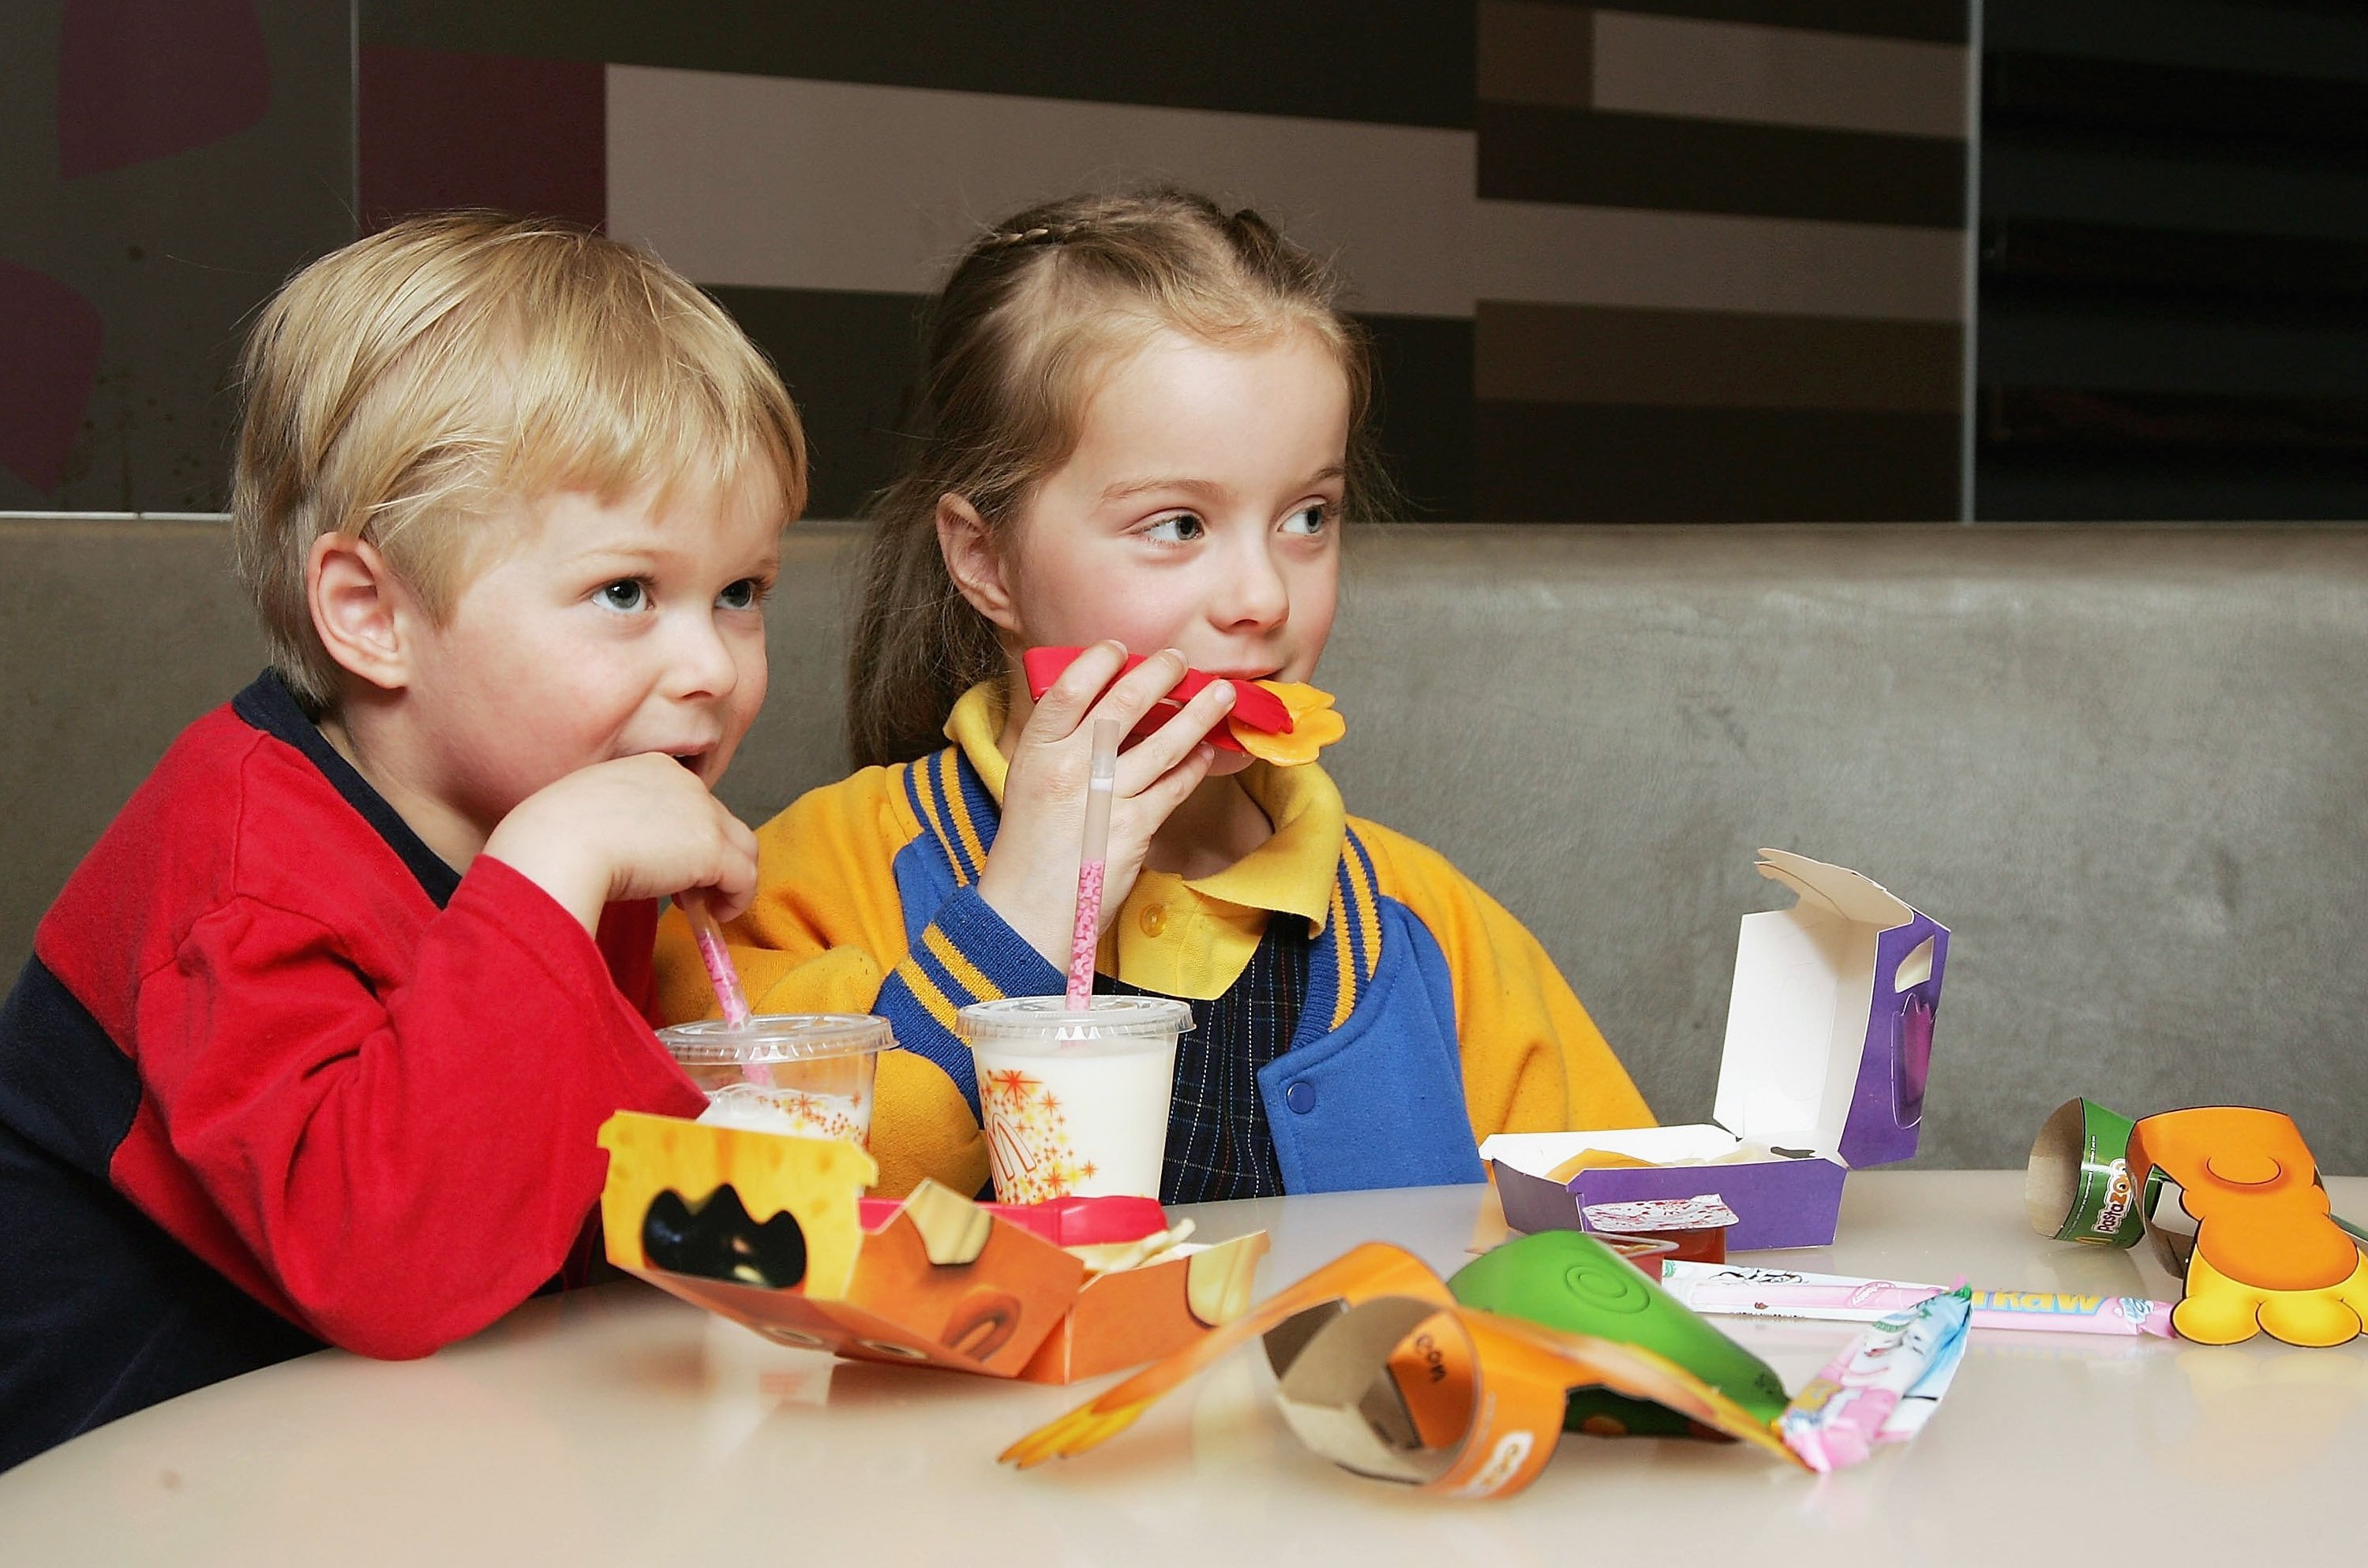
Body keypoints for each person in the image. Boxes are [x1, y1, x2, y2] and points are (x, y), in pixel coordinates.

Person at [656, 187, 1649, 1203]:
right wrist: (1019, 919)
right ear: (986, 559)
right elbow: (762, 1238)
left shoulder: (1432, 931)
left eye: (1308, 517)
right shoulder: (791, 891)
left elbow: (1643, 1247)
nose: (1263, 597)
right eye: (1177, 525)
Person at [0, 212, 800, 1469]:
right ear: (372, 616)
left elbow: (570, 1214)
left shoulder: (570, 810)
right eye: (626, 592)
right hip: (118, 1478)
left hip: (400, 1454)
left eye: (741, 594)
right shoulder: (249, 865)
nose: (711, 666)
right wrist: (550, 871)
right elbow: (388, 1273)